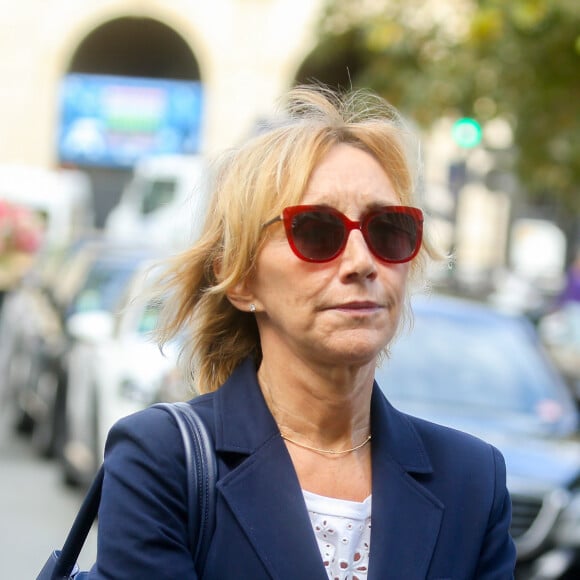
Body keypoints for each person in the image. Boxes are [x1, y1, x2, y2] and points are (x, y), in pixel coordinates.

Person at [90, 85, 516, 579]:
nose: (361, 263)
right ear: (241, 278)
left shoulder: (472, 479)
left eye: (388, 230)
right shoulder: (161, 461)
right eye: (316, 231)